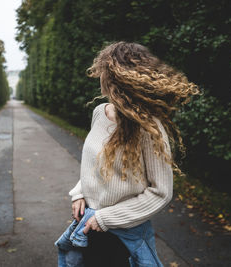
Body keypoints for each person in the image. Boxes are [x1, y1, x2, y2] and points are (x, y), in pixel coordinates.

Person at [63, 41, 200, 266]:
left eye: (103, 70)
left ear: (115, 77)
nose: (99, 75)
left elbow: (161, 192)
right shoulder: (100, 112)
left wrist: (106, 218)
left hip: (123, 236)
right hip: (89, 224)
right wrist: (79, 193)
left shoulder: (148, 127)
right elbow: (94, 165)